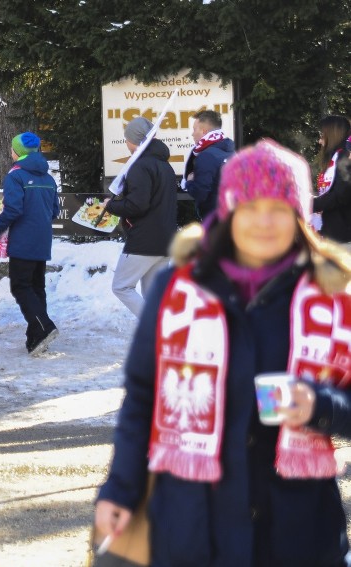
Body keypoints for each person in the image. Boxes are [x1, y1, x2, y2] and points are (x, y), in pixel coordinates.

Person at [95, 140, 351, 566]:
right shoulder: (177, 290)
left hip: (297, 529)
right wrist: (119, 490)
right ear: (228, 211)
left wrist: (319, 404)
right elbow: (143, 398)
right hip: (191, 523)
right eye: (249, 208)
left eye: (279, 209)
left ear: (300, 216)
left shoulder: (334, 299)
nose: (264, 222)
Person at [0, 132, 60, 355]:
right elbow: (55, 210)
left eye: (12, 148)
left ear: (17, 152)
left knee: (21, 286)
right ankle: (36, 337)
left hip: (23, 240)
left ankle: (44, 327)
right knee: (37, 288)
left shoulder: (15, 176)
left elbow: (14, 209)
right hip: (43, 240)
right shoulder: (48, 178)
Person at [103, 117, 177, 317]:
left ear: (133, 140)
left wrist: (111, 205)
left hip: (145, 241)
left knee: (121, 287)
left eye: (126, 138)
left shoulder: (139, 166)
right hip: (166, 240)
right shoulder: (164, 166)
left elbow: (137, 205)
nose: (126, 142)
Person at [181, 109, 235, 220]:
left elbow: (200, 192)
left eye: (194, 129)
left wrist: (189, 183)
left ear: (204, 132)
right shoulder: (232, 151)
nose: (192, 134)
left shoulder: (206, 156)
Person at [312, 115, 351, 244]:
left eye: (322, 135)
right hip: (331, 235)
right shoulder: (336, 156)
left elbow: (341, 195)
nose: (320, 141)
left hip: (344, 238)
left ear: (333, 135)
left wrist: (311, 204)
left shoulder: (346, 156)